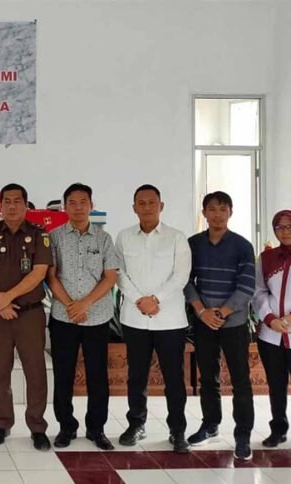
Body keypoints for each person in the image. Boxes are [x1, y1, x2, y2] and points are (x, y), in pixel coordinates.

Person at [115, 184, 191, 454]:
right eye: (141, 203)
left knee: (173, 377)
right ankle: (136, 423)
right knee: (136, 376)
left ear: (161, 206)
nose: (146, 207)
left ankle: (177, 430)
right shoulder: (124, 237)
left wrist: (155, 299)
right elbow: (119, 274)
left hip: (169, 320)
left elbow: (181, 276)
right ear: (134, 207)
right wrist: (139, 300)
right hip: (135, 319)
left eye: (151, 202)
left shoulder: (176, 237)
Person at [0, 183, 52, 451]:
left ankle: (37, 426)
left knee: (35, 372)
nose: (11, 206)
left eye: (17, 201)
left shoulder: (39, 234)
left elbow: (39, 272)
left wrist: (6, 297)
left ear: (25, 204)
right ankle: (2, 423)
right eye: (6, 201)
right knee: (0, 371)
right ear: (0, 205)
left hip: (30, 315)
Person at [46, 183, 120, 451]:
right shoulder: (53, 236)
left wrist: (85, 304)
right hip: (63, 318)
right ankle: (66, 427)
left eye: (83, 202)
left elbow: (110, 276)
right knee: (63, 375)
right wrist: (70, 305)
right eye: (72, 202)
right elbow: (50, 276)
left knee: (97, 375)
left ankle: (96, 429)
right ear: (65, 206)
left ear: (91, 205)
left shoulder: (103, 238)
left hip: (96, 317)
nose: (78, 207)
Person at [186, 191, 255, 461]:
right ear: (204, 213)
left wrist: (223, 311)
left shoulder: (242, 245)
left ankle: (243, 434)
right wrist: (202, 310)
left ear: (231, 212)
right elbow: (186, 280)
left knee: (240, 379)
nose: (217, 214)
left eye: (222, 209)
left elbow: (247, 284)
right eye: (212, 209)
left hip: (234, 322)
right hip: (204, 321)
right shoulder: (193, 244)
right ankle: (210, 424)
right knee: (208, 376)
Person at [253, 210, 291, 448]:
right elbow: (258, 291)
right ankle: (278, 428)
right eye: (280, 227)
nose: (285, 231)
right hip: (271, 334)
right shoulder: (266, 258)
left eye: (289, 226)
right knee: (276, 385)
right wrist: (270, 318)